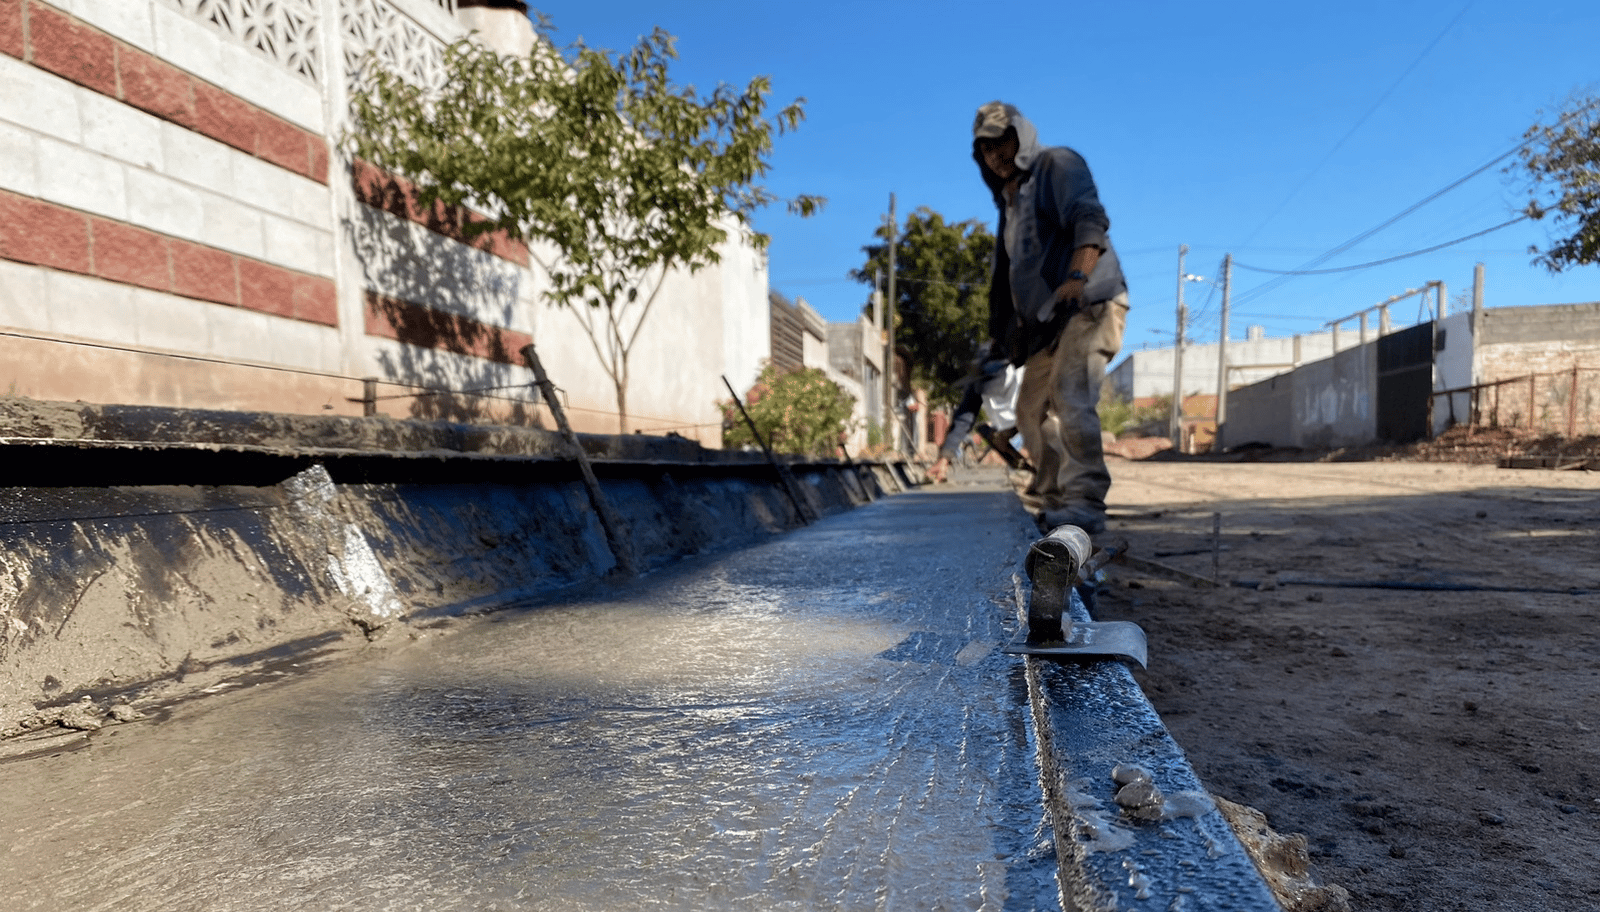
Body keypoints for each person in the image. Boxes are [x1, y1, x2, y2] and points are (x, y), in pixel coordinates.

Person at [971, 100, 1128, 534]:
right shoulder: (1009, 205)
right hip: (1046, 323)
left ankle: (1083, 505)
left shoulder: (1057, 165)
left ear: (1022, 134)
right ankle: (1054, 498)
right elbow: (1009, 279)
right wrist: (1004, 338)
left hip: (1087, 303)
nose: (997, 154)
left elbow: (1088, 217)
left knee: (1070, 396)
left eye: (1004, 140)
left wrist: (1077, 275)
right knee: (1029, 411)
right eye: (986, 148)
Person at [926, 343, 1028, 482]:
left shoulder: (1027, 373)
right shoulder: (979, 381)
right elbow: (963, 418)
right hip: (1010, 426)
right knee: (988, 431)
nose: (988, 390)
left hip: (1038, 421)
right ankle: (1025, 468)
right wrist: (944, 459)